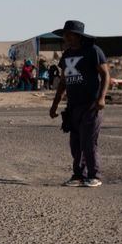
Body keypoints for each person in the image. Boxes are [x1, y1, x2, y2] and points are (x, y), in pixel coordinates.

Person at [49, 20, 110, 188]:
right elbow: (63, 82)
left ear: (78, 36)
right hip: (73, 107)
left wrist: (101, 98)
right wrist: (54, 105)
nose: (65, 37)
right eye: (64, 34)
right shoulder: (67, 54)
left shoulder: (93, 51)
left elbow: (105, 75)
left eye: (68, 34)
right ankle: (78, 175)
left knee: (88, 142)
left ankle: (94, 175)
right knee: (75, 143)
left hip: (91, 105)